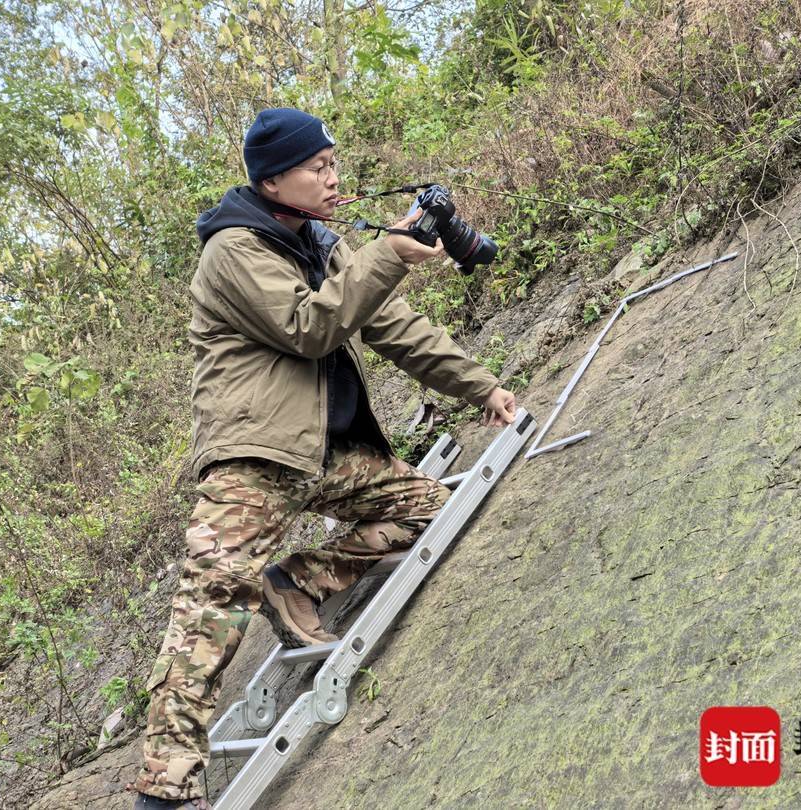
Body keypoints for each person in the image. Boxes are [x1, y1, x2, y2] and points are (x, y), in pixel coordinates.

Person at [130, 108, 517, 809]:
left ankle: (299, 581)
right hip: (254, 461)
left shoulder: (324, 242)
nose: (334, 178)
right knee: (209, 611)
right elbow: (309, 327)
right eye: (318, 167)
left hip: (328, 456)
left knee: (431, 509)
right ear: (273, 181)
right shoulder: (233, 252)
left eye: (334, 164)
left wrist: (481, 387)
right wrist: (389, 254)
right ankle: (165, 789)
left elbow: (395, 328)